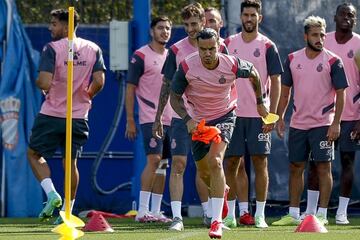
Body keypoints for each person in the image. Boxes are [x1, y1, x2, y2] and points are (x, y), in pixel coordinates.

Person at [170, 27, 268, 239]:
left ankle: (216, 222)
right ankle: (220, 191)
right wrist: (188, 120)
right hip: (198, 122)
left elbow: (254, 73)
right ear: (197, 46)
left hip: (225, 116)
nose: (207, 53)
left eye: (211, 49)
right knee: (205, 173)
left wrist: (260, 102)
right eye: (203, 49)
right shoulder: (187, 66)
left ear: (218, 46)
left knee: (216, 161)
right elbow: (174, 97)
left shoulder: (231, 64)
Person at [152, 2, 227, 231]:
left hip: (212, 116)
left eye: (194, 23)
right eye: (186, 25)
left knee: (209, 167)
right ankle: (177, 217)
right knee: (179, 163)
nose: (190, 29)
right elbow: (166, 85)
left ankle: (212, 216)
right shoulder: (175, 50)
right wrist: (158, 118)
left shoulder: (220, 46)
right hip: (181, 117)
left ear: (203, 22)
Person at [27, 9, 106, 223]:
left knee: (34, 154)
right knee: (70, 163)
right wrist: (86, 95)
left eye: (54, 24)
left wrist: (37, 83)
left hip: (52, 113)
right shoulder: (93, 48)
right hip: (79, 115)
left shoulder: (52, 48)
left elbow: (44, 82)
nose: (50, 28)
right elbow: (99, 81)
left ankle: (52, 194)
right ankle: (67, 213)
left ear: (66, 25)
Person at [272, 15, 348, 226]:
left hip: (324, 123)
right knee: (296, 167)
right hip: (298, 124)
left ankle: (322, 214)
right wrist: (279, 118)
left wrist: (336, 123)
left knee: (324, 167)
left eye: (322, 35)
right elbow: (285, 93)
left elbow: (341, 94)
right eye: (315, 35)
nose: (319, 39)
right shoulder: (292, 59)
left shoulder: (334, 61)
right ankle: (294, 214)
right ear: (305, 36)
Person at [223, 0, 282, 228]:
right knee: (232, 163)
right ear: (241, 17)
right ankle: (235, 214)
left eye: (252, 15)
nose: (249, 19)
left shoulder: (268, 46)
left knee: (260, 163)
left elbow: (276, 81)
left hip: (259, 115)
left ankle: (260, 215)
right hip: (233, 114)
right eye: (245, 15)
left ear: (260, 18)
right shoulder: (228, 43)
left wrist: (272, 115)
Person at [302, 3, 360, 225]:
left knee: (347, 162)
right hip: (322, 117)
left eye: (351, 15)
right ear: (334, 17)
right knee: (316, 164)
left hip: (350, 116)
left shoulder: (358, 44)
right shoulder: (323, 40)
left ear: (355, 20)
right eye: (343, 14)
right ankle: (311, 212)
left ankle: (341, 212)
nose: (347, 18)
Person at [125, 16, 173, 223]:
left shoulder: (172, 56)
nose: (165, 32)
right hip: (149, 118)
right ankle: (142, 211)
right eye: (160, 28)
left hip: (172, 118)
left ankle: (156, 210)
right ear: (152, 31)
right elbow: (130, 89)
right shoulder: (140, 56)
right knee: (153, 160)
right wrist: (130, 120)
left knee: (163, 163)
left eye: (168, 28)